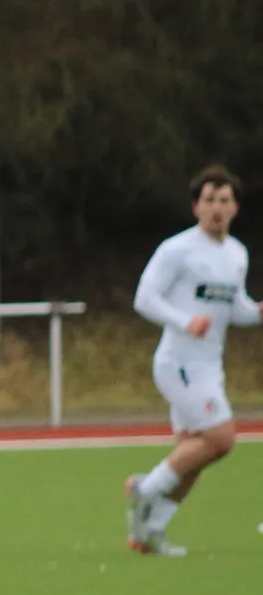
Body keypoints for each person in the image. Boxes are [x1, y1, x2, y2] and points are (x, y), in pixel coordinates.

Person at [125, 166, 255, 557]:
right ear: (197, 206)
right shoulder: (177, 249)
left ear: (235, 208)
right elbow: (144, 298)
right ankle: (143, 489)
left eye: (225, 200)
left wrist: (259, 312)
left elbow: (234, 309)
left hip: (210, 364)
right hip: (178, 363)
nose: (218, 207)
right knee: (222, 438)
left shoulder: (236, 254)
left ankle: (149, 532)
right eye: (210, 200)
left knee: (193, 454)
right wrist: (184, 321)